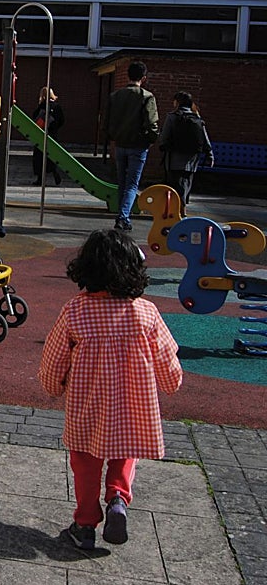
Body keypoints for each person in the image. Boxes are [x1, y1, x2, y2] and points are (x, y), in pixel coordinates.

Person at [38, 229, 183, 550]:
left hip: (87, 405)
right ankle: (118, 496)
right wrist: (172, 382)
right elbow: (167, 359)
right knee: (124, 453)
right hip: (132, 407)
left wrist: (52, 385)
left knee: (85, 462)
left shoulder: (76, 311)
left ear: (86, 269)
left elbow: (54, 358)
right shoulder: (145, 313)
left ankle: (85, 523)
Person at [104, 61, 158, 232]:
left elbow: (107, 121)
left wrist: (113, 136)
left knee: (122, 182)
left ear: (128, 75)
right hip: (138, 145)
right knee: (132, 184)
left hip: (120, 143)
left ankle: (123, 215)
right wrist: (150, 139)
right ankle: (123, 217)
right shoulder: (146, 97)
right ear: (144, 78)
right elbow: (152, 123)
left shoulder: (115, 96)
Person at [158, 91, 214, 212]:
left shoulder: (172, 117)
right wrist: (209, 154)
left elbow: (164, 137)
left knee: (174, 183)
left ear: (177, 102)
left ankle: (177, 208)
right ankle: (182, 205)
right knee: (186, 182)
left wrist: (162, 146)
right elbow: (205, 138)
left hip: (174, 157)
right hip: (192, 159)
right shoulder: (197, 118)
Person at [31, 86, 65, 185]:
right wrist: (54, 127)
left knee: (39, 157)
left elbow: (34, 117)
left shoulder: (42, 106)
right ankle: (55, 172)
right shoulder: (57, 106)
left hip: (40, 135)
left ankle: (40, 179)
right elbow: (62, 120)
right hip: (53, 135)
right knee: (52, 156)